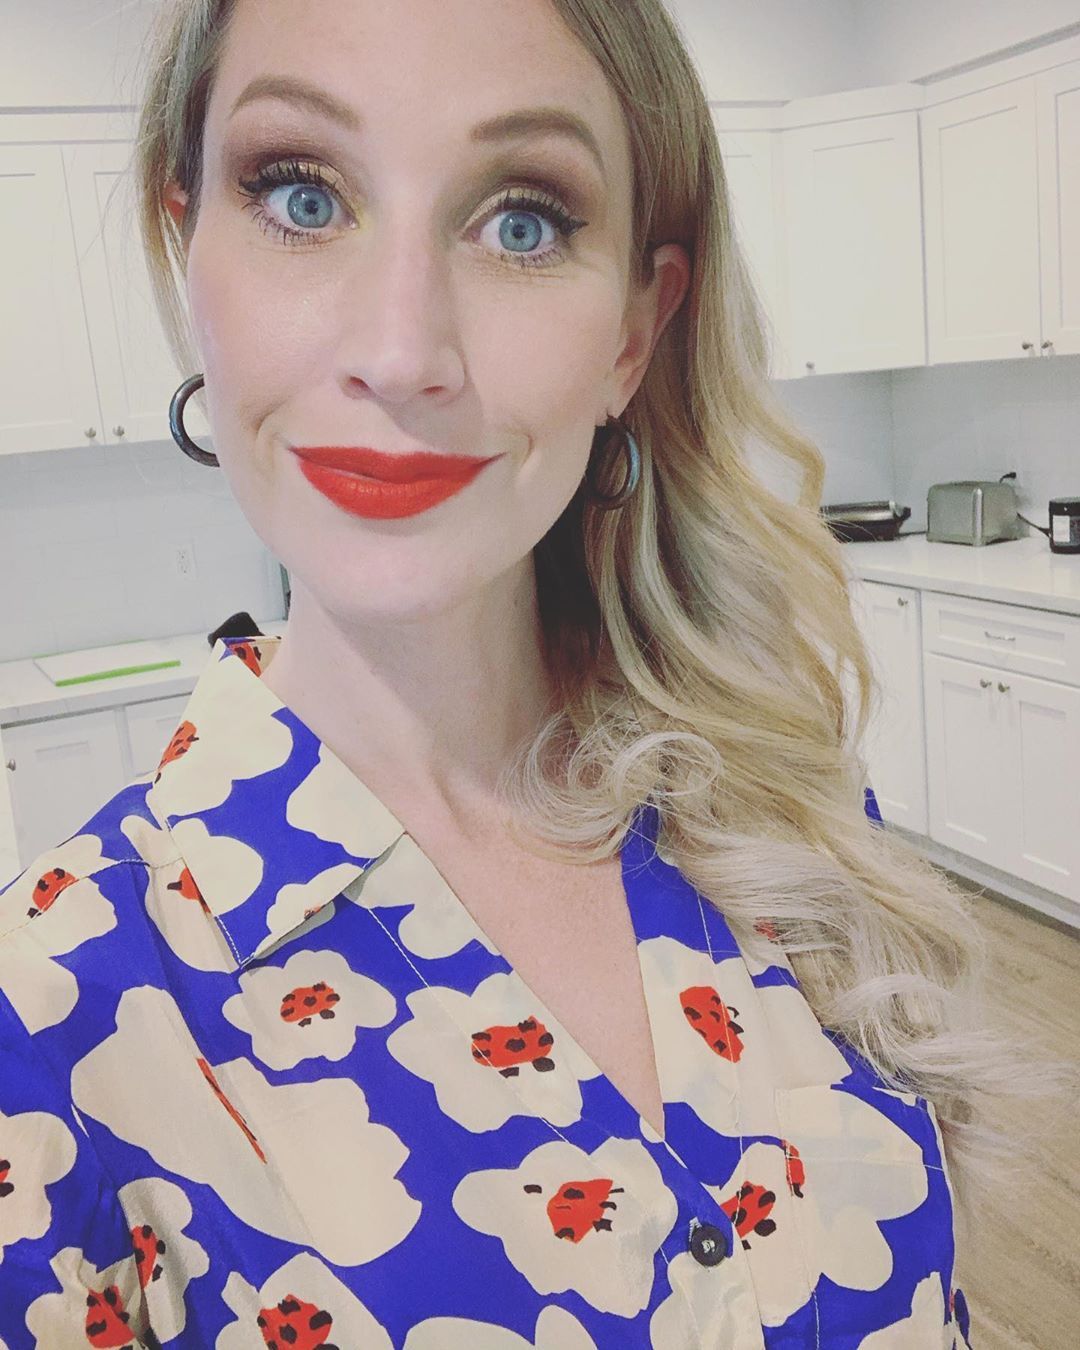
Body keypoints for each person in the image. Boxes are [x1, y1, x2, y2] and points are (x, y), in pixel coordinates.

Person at [3, 0, 1060, 1344]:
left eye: (522, 222)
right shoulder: (48, 1023)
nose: (401, 353)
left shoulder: (780, 810)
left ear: (634, 332)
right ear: (187, 249)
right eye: (301, 196)